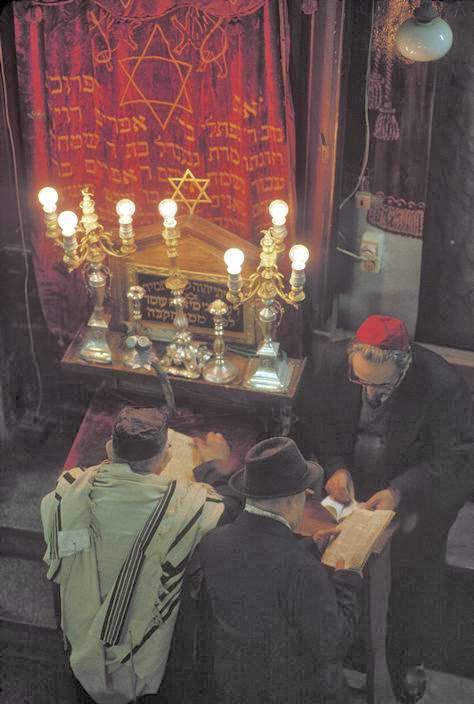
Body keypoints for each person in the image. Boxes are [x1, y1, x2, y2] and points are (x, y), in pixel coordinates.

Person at [298, 315, 474, 702]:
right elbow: (322, 427)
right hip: (354, 481)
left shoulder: (440, 384)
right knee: (335, 556)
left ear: (404, 364)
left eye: (382, 386)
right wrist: (337, 468)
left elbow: (454, 458)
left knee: (415, 573)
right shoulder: (334, 363)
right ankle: (345, 646)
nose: (371, 394)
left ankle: (408, 657)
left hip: (415, 486)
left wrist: (400, 492)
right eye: (361, 382)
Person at [40, 406, 238, 704]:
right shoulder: (188, 505)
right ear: (166, 458)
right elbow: (230, 509)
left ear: (110, 449)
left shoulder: (69, 490)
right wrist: (214, 463)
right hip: (145, 657)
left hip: (78, 634)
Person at [172, 436, 363, 704]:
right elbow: (334, 644)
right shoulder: (302, 570)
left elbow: (260, 566)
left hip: (226, 685)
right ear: (290, 500)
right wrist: (347, 581)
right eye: (304, 494)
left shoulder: (212, 541)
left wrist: (309, 546)